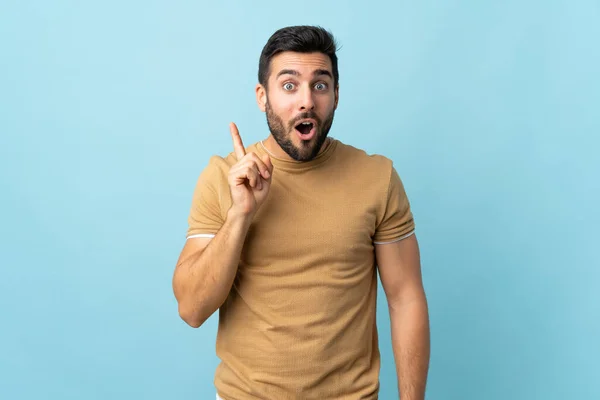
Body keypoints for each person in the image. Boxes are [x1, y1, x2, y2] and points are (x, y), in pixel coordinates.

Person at [172, 25, 430, 400]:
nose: (306, 101)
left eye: (320, 85)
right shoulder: (222, 177)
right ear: (263, 97)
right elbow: (192, 310)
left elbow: (406, 298)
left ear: (337, 95)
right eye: (289, 86)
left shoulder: (377, 178)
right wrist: (240, 215)